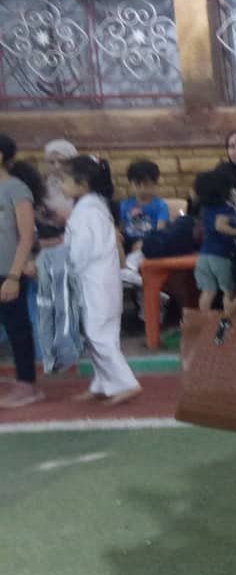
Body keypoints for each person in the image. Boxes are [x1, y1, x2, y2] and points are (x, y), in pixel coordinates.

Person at [62, 156, 141, 405]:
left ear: (83, 183)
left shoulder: (88, 212)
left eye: (65, 179)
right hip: (99, 279)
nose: (61, 184)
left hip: (95, 281)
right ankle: (103, 383)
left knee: (98, 333)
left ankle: (126, 383)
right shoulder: (92, 207)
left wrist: (64, 267)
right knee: (100, 332)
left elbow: (82, 251)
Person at [0, 135, 44, 409]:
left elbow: (26, 237)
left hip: (8, 272)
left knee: (17, 328)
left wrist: (14, 277)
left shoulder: (16, 189)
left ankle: (27, 385)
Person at [192, 170, 236, 312]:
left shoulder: (205, 209)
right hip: (221, 257)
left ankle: (204, 320)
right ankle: (228, 321)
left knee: (208, 291)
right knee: (229, 292)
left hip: (203, 256)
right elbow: (220, 226)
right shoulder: (226, 208)